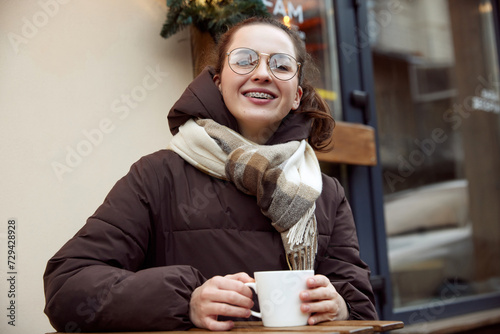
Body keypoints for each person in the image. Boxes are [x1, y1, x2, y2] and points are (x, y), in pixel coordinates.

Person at [43, 17, 377, 332]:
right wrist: (185, 300)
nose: (262, 73)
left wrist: (341, 306)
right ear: (218, 82)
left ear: (296, 97)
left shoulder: (325, 192)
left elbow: (363, 308)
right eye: (245, 60)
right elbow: (68, 286)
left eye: (281, 65)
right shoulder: (158, 175)